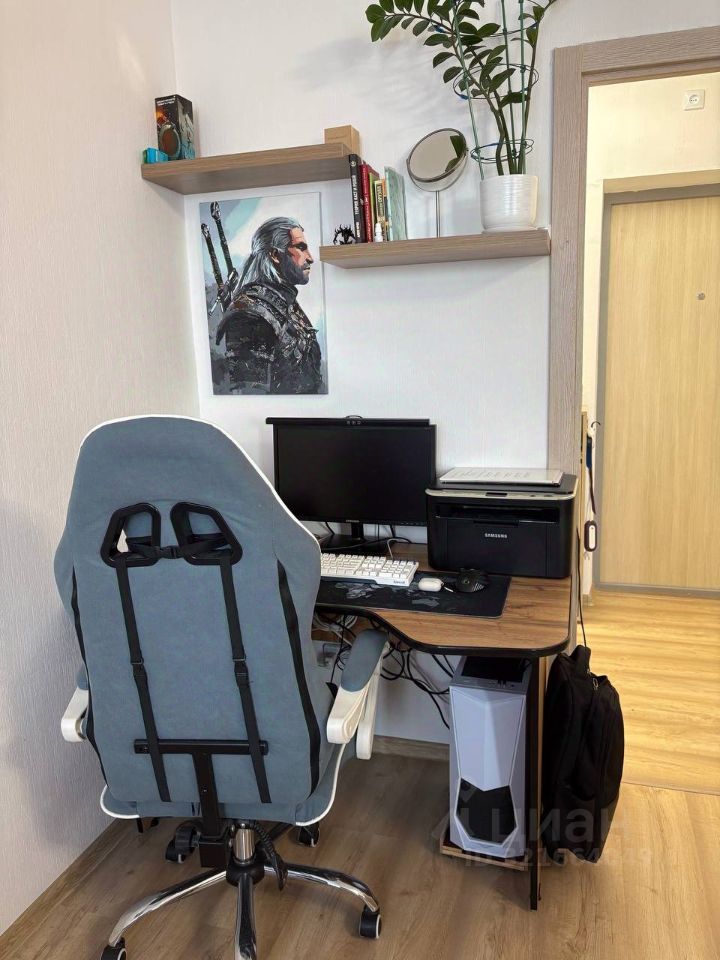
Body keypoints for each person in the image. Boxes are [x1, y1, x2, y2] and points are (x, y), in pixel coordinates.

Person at [215, 217, 325, 394]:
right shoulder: (250, 315)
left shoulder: (285, 303)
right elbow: (250, 396)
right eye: (301, 247)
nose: (310, 258)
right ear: (274, 255)